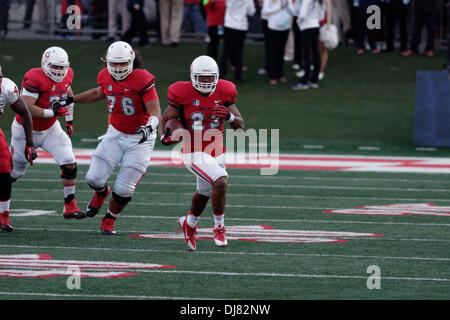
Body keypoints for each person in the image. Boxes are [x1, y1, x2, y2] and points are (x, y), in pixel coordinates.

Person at [63, 41, 161, 235]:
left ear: (131, 61)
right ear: (107, 62)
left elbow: (156, 112)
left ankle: (109, 219)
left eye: (122, 64)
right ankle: (101, 193)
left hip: (140, 138)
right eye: (114, 64)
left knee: (125, 189)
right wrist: (72, 99)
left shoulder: (142, 78)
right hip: (115, 133)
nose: (117, 68)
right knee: (93, 178)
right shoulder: (104, 76)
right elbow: (100, 92)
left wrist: (148, 128)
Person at [159, 55, 244, 251]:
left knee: (205, 192)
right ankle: (219, 228)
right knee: (221, 180)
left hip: (216, 149)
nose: (206, 82)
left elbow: (240, 126)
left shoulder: (225, 90)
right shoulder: (181, 92)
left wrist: (230, 116)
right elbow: (166, 119)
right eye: (201, 77)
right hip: (192, 149)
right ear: (192, 76)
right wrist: (164, 136)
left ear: (216, 76)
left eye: (209, 77)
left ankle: (188, 223)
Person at [10, 47, 86, 220]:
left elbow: (68, 94)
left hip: (51, 128)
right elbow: (27, 108)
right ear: (45, 64)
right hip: (25, 130)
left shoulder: (68, 74)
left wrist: (69, 119)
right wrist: (53, 113)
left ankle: (70, 205)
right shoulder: (34, 77)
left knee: (69, 161)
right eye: (55, 67)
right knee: (15, 173)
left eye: (62, 67)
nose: (59, 71)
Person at [0, 66, 37, 232]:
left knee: (5, 166)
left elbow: (24, 112)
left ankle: (3, 214)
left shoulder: (6, 88)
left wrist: (30, 143)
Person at [219, 0, 256, 82]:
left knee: (225, 51)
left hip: (229, 24)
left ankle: (221, 75)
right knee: (238, 52)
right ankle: (237, 77)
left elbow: (224, 5)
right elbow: (251, 12)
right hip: (241, 26)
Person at [292, 0, 324, 90]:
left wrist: (299, 22)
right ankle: (314, 80)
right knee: (316, 53)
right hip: (315, 26)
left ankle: (305, 81)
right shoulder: (319, 1)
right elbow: (321, 16)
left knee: (307, 55)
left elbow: (302, 14)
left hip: (306, 27)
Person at [262, 0, 295, 85]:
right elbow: (265, 11)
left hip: (285, 27)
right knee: (273, 52)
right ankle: (272, 76)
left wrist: (287, 4)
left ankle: (280, 75)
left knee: (281, 52)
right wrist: (279, 7)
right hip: (273, 27)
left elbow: (292, 12)